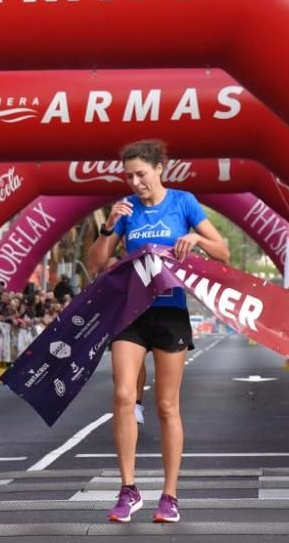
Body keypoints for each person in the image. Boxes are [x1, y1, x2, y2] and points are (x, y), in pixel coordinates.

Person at [87, 140, 229, 523]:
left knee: (167, 406)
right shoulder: (126, 209)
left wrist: (197, 239)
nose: (135, 182)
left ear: (159, 169)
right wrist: (108, 227)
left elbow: (224, 251)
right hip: (130, 312)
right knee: (122, 394)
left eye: (141, 174)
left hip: (169, 313)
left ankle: (169, 496)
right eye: (129, 176)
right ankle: (128, 489)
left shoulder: (183, 203)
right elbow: (96, 264)